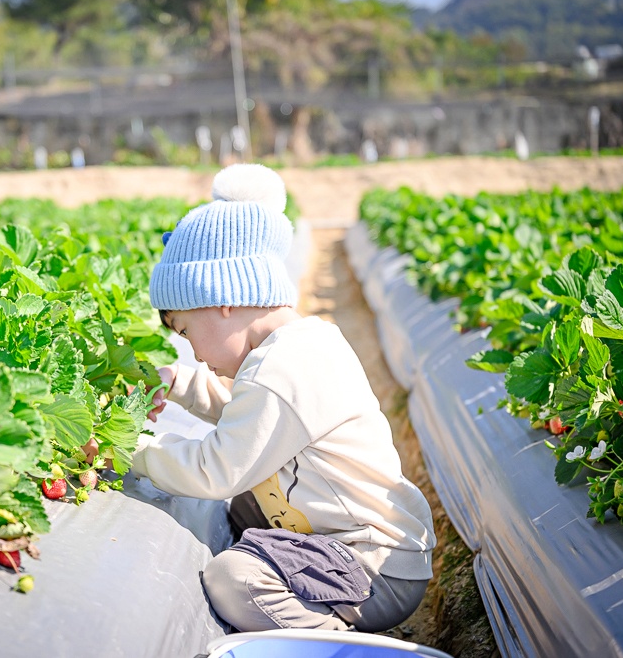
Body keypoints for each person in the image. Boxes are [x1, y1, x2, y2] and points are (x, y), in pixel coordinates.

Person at [134, 163, 436, 633]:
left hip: (373, 567)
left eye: (187, 332)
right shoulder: (293, 347)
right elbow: (250, 418)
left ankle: (332, 640)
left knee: (233, 578)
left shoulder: (283, 367)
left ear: (223, 300)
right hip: (356, 547)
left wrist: (133, 451)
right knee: (241, 510)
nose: (192, 350)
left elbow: (218, 468)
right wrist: (178, 383)